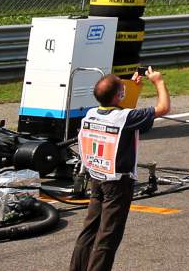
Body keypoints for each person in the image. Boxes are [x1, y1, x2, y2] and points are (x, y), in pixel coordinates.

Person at [69, 66, 170, 271]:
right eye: (122, 90)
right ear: (118, 95)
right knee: (108, 235)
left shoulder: (91, 114)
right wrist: (158, 81)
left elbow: (120, 113)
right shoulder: (125, 118)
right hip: (117, 182)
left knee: (89, 231)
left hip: (96, 177)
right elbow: (163, 108)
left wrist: (131, 89)